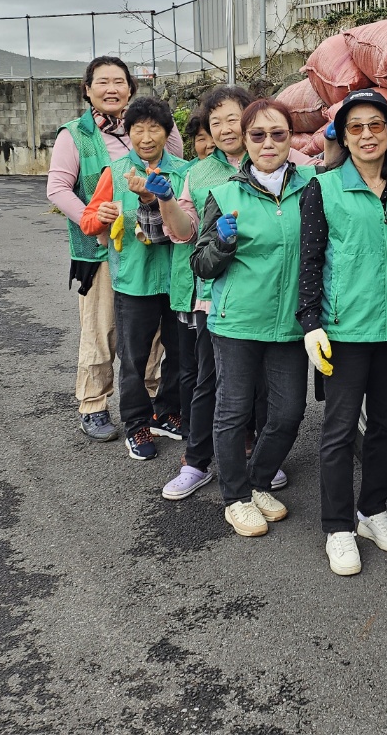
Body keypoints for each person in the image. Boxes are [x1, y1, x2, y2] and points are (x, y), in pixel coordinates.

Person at [297, 88, 387, 577]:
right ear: (343, 138)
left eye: (376, 125)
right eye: (356, 128)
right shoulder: (323, 189)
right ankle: (337, 527)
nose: (367, 135)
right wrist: (311, 322)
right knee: (340, 430)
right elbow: (309, 261)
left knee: (386, 425)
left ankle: (373, 510)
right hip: (344, 332)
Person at [191, 98, 314, 537]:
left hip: (291, 324)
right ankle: (236, 497)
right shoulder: (224, 194)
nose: (268, 143)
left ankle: (259, 481)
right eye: (257, 135)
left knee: (287, 413)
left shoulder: (313, 185)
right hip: (237, 323)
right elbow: (200, 264)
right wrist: (222, 244)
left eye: (278, 134)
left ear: (291, 139)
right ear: (244, 141)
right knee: (233, 411)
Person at [46, 56, 182, 441]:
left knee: (152, 332)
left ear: (130, 88)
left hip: (154, 248)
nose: (111, 89)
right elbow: (57, 189)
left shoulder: (156, 126)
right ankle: (93, 403)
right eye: (102, 82)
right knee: (101, 329)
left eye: (119, 81)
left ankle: (155, 401)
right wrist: (95, 219)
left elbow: (179, 166)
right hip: (100, 250)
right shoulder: (75, 134)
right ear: (87, 89)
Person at [79, 96, 193, 461]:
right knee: (134, 357)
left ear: (166, 132)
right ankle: (137, 423)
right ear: (129, 133)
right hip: (134, 281)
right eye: (138, 129)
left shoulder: (185, 171)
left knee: (179, 354)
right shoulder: (114, 172)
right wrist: (103, 215)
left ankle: (167, 411)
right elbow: (87, 222)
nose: (146, 136)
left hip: (178, 281)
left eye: (154, 128)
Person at [158, 104, 227, 500]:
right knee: (207, 379)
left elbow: (322, 167)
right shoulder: (198, 173)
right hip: (212, 295)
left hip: (267, 295)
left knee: (259, 384)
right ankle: (196, 461)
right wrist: (168, 200)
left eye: (233, 119)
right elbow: (183, 233)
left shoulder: (277, 160)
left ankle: (255, 452)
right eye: (214, 123)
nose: (224, 129)